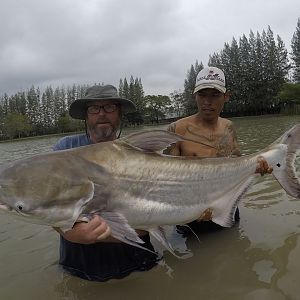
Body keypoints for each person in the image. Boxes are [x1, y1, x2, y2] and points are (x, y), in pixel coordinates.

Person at [53, 84, 158, 281]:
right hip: (80, 262)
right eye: (94, 108)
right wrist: (72, 235)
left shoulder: (140, 152)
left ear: (119, 114)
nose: (102, 114)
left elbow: (157, 214)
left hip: (137, 259)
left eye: (109, 107)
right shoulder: (64, 149)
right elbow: (46, 207)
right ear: (86, 115)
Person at [165, 66, 272, 232]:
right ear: (195, 96)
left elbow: (237, 164)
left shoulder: (228, 126)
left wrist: (258, 168)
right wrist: (191, 209)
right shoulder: (176, 129)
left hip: (227, 207)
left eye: (215, 95)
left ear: (226, 96)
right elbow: (166, 179)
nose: (208, 102)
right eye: (202, 95)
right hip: (191, 216)